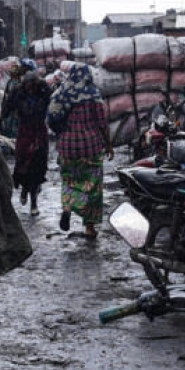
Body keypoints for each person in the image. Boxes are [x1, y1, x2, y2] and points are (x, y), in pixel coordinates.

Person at [46, 62, 113, 240]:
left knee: (69, 180)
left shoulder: (61, 93)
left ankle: (67, 207)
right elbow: (102, 124)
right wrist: (108, 144)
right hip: (90, 147)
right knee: (93, 187)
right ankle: (89, 228)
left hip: (67, 147)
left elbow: (51, 119)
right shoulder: (93, 95)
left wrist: (62, 134)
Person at [7, 64, 52, 216]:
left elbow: (52, 100)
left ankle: (34, 202)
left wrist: (43, 84)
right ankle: (25, 190)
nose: (30, 88)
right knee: (23, 164)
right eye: (28, 85)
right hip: (25, 132)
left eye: (33, 85)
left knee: (37, 167)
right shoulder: (18, 94)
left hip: (39, 132)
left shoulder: (43, 93)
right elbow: (5, 109)